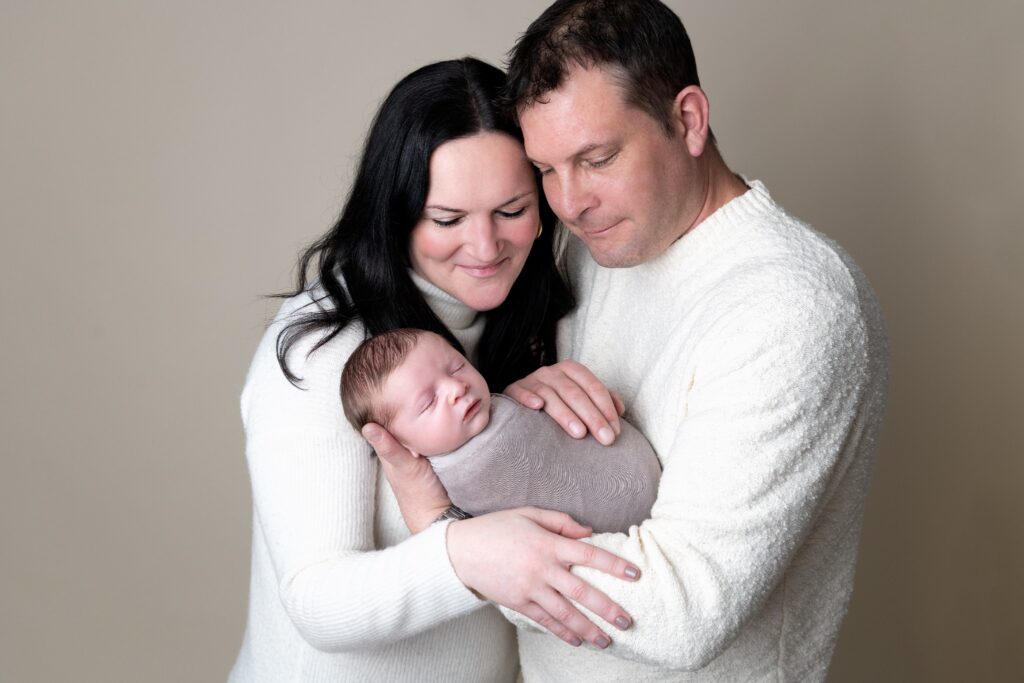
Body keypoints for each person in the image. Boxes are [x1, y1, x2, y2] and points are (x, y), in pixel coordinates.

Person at [370, 2, 890, 681]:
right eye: (547, 171)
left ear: (688, 119)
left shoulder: (794, 310)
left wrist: (458, 546)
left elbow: (680, 609)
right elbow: (570, 477)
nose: (569, 202)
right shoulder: (602, 245)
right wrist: (519, 408)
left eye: (598, 158)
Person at [229, 57, 643, 683]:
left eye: (512, 211)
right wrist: (463, 554)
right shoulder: (325, 351)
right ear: (396, 214)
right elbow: (315, 600)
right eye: (447, 220)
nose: (485, 249)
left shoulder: (532, 316)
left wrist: (519, 416)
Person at [340, 328, 661, 532]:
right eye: (428, 402)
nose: (455, 387)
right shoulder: (449, 483)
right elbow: (469, 544)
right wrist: (434, 519)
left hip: (653, 477)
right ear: (402, 444)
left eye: (456, 367)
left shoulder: (508, 396)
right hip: (616, 539)